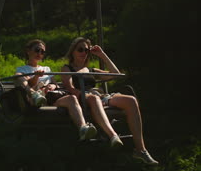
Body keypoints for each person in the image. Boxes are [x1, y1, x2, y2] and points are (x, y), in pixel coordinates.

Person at [61, 37, 158, 165]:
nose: (84, 53)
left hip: (101, 97)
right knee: (95, 98)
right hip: (84, 98)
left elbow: (115, 74)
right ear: (73, 51)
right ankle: (113, 135)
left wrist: (102, 54)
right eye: (80, 49)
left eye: (86, 50)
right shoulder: (67, 68)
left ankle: (141, 150)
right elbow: (70, 88)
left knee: (131, 101)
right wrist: (87, 95)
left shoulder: (91, 70)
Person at [15, 39, 98, 141]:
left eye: (42, 52)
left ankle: (82, 128)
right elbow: (27, 83)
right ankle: (35, 95)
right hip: (35, 96)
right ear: (28, 51)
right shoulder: (22, 69)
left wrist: (52, 86)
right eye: (37, 50)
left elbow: (55, 84)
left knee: (72, 98)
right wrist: (36, 77)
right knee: (18, 76)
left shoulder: (47, 68)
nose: (39, 53)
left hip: (50, 96)